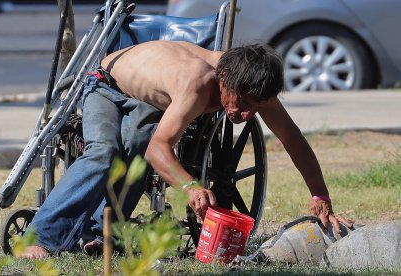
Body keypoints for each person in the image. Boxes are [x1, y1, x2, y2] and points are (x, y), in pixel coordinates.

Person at [19, 40, 353, 259]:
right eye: (244, 105)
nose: (247, 115)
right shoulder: (197, 83)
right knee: (104, 152)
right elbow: (160, 149)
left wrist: (320, 195)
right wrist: (190, 186)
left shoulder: (252, 85)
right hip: (107, 86)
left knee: (136, 146)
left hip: (146, 101)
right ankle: (39, 237)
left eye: (256, 107)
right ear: (224, 79)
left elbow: (292, 137)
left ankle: (106, 232)